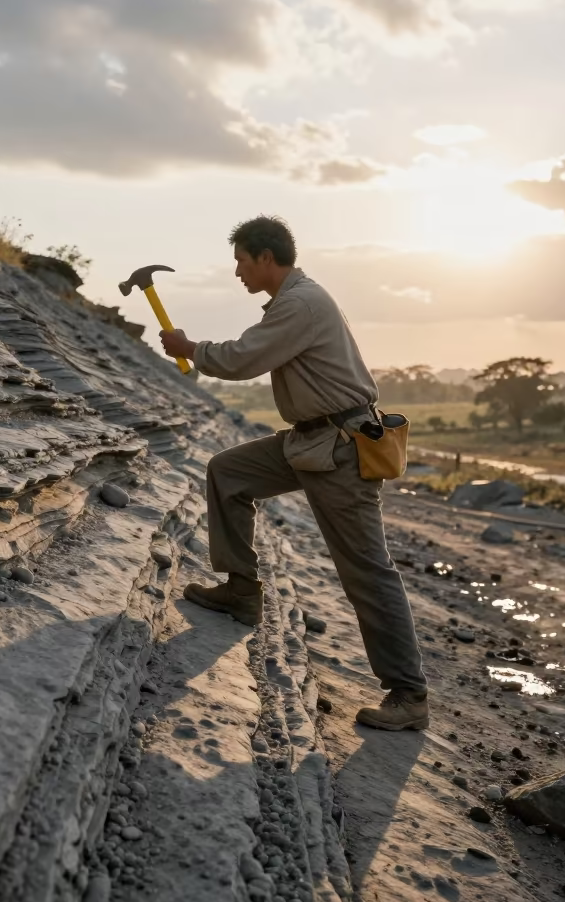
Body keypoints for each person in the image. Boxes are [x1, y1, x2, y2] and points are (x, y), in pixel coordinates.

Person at [159, 215, 429, 732]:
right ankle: (241, 591)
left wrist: (191, 349)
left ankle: (408, 693)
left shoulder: (300, 303)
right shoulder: (295, 300)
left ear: (265, 256)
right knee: (228, 472)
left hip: (341, 447)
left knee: (366, 569)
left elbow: (244, 358)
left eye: (241, 260)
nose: (237, 271)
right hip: (309, 438)